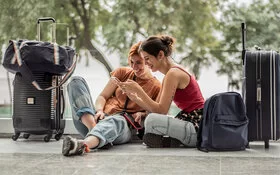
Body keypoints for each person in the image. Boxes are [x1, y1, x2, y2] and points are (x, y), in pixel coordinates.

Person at [62, 42, 161, 156]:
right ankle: (93, 130)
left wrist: (142, 114)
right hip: (93, 120)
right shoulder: (122, 73)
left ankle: (83, 145)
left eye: (139, 62)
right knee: (76, 81)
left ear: (148, 62)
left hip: (121, 127)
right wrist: (99, 110)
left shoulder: (156, 86)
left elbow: (155, 112)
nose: (134, 67)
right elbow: (103, 96)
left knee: (117, 120)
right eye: (131, 62)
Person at [119, 35, 205, 148]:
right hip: (190, 124)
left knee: (151, 120)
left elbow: (161, 111)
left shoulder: (173, 74)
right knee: (149, 119)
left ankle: (172, 140)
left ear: (160, 55)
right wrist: (135, 97)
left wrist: (139, 91)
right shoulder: (169, 75)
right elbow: (154, 109)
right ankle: (172, 140)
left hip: (197, 128)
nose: (146, 63)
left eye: (147, 59)